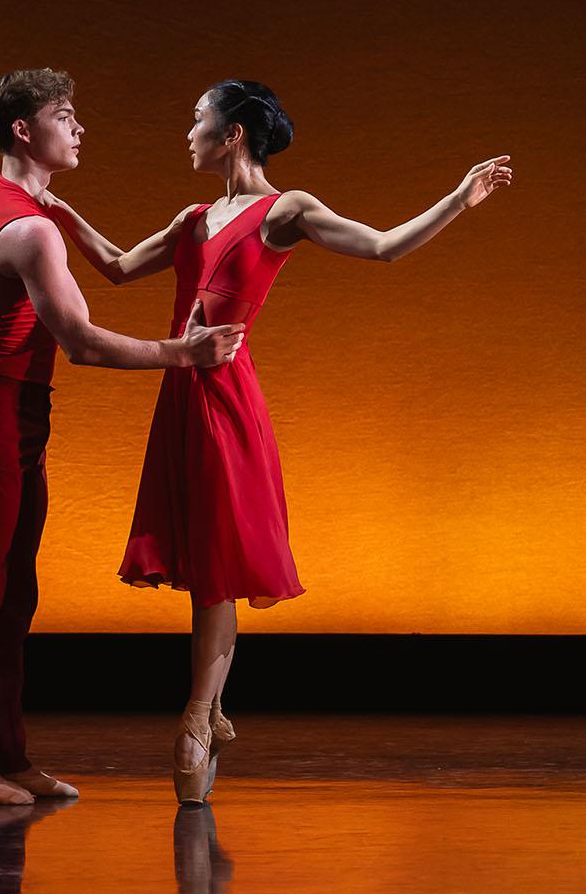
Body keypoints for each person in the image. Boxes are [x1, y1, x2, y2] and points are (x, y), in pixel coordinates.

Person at [42, 80, 511, 802]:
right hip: (180, 394)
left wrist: (458, 199)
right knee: (202, 556)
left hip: (229, 400)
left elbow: (382, 248)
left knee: (219, 564)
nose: (188, 130)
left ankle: (197, 717)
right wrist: (61, 212)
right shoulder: (193, 218)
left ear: (232, 133)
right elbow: (115, 265)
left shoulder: (284, 210)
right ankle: (210, 708)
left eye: (197, 118)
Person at [0, 69, 245, 807]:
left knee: (12, 597)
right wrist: (182, 353)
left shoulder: (16, 207)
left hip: (13, 415)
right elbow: (83, 343)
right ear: (25, 132)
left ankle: (8, 757)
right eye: (66, 116)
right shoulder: (28, 227)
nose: (80, 128)